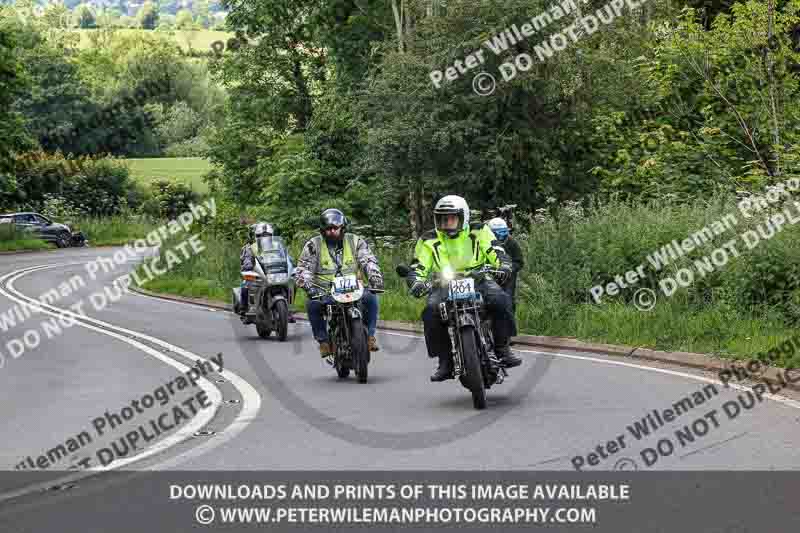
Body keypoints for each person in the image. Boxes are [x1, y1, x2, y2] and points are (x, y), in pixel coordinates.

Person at [405, 195, 522, 382]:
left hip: (478, 278)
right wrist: (416, 282)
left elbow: (496, 251)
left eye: (451, 217)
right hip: (443, 283)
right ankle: (445, 361)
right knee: (431, 311)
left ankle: (503, 348)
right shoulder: (428, 239)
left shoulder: (479, 230)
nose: (447, 222)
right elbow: (418, 266)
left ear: (463, 216)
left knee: (500, 299)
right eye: (442, 218)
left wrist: (503, 266)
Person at [293, 208, 384, 357]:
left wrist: (375, 277)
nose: (332, 232)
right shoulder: (313, 245)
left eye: (335, 228)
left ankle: (370, 337)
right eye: (328, 229)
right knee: (312, 304)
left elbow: (368, 260)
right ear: (322, 230)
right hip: (325, 292)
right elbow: (303, 268)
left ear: (343, 227)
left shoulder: (355, 241)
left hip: (353, 288)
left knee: (371, 297)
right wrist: (308, 285)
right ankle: (323, 342)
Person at [487, 217, 523, 336]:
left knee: (507, 302)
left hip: (508, 278)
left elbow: (519, 261)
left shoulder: (511, 242)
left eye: (504, 233)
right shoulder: (485, 243)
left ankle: (509, 333)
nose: (502, 237)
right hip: (489, 276)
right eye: (499, 234)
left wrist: (510, 269)